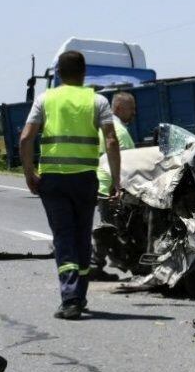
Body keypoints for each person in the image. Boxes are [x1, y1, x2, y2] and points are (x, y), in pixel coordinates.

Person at [19, 50, 121, 320]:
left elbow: (26, 138)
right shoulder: (97, 100)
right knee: (81, 236)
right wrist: (117, 181)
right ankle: (79, 295)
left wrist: (29, 172)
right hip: (85, 178)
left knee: (63, 237)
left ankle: (71, 299)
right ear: (84, 73)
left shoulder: (45, 99)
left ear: (59, 75)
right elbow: (111, 141)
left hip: (52, 179)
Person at [90, 92, 136, 280]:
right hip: (111, 187)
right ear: (118, 108)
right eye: (131, 109)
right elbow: (130, 165)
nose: (134, 113)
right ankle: (96, 264)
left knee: (110, 227)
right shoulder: (119, 132)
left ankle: (102, 263)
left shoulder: (101, 127)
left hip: (99, 184)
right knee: (111, 228)